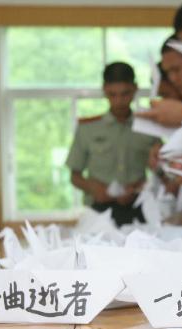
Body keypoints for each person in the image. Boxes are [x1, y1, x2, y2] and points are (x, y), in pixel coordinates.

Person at [66, 62, 159, 226]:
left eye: (125, 94)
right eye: (112, 94)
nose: (119, 101)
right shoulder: (87, 128)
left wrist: (142, 185)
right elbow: (75, 176)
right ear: (104, 90)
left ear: (135, 89)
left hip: (138, 208)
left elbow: (162, 169)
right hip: (98, 210)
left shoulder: (149, 127)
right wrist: (94, 188)